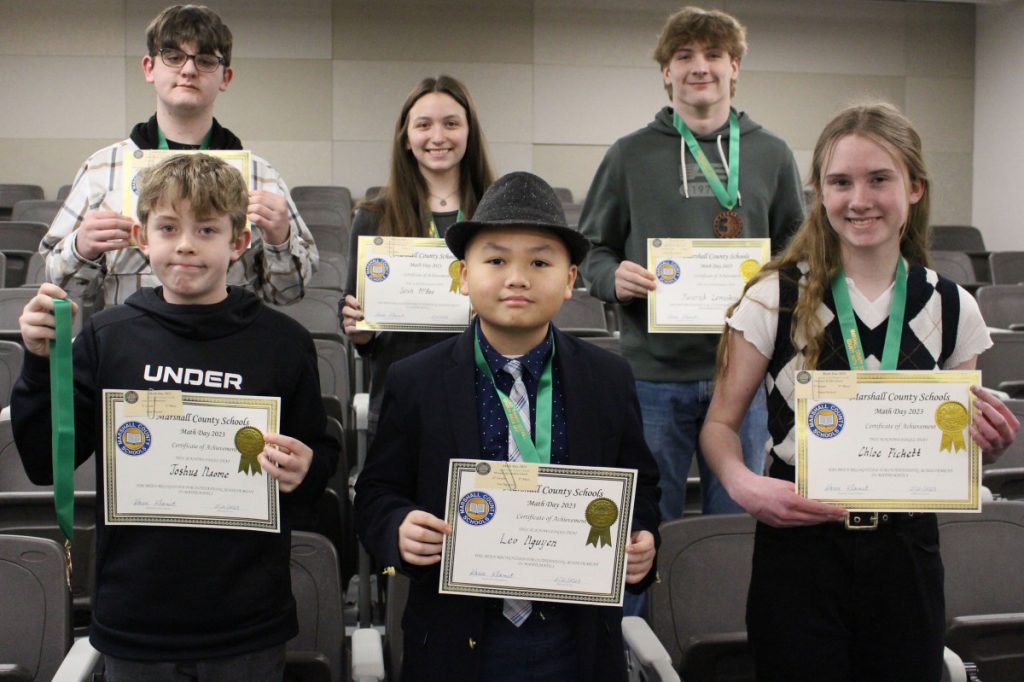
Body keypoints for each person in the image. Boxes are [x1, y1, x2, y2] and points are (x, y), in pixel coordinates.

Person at [700, 102, 1019, 681]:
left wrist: (983, 447)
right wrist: (746, 486)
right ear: (819, 193)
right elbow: (719, 426)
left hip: (907, 554)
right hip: (799, 551)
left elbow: (956, 444)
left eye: (880, 179)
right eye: (840, 182)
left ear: (915, 188)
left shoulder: (953, 307)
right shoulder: (773, 296)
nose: (859, 199)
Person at [13, 154, 337, 680]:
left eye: (206, 229)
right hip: (137, 618)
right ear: (143, 237)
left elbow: (319, 459)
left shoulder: (283, 343)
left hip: (247, 619)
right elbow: (44, 462)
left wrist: (306, 470)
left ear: (238, 242)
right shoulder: (107, 336)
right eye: (168, 227)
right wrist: (38, 363)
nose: (185, 243)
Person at [354, 172, 661, 681]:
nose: (517, 277)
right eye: (495, 260)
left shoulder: (608, 378)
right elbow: (376, 492)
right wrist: (397, 529)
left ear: (569, 280)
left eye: (540, 262)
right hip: (457, 638)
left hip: (576, 637)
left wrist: (644, 540)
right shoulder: (417, 380)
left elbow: (640, 485)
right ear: (462, 277)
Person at [578, 6, 804, 520]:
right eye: (684, 56)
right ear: (666, 72)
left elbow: (798, 253)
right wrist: (611, 277)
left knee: (734, 528)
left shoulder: (772, 153)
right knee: (646, 526)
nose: (699, 66)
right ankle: (642, 608)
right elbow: (589, 250)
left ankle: (724, 608)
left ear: (735, 67)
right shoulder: (629, 155)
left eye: (713, 54)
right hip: (654, 374)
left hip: (743, 374)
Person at [40, 3, 317, 309]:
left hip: (226, 351)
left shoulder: (260, 176)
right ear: (149, 68)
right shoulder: (102, 169)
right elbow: (60, 290)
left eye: (206, 60)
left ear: (225, 77)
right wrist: (82, 249)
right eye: (173, 57)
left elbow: (288, 295)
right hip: (131, 350)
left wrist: (280, 239)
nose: (188, 70)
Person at [341, 75, 495, 438]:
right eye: (423, 125)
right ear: (406, 139)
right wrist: (358, 330)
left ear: (469, 134)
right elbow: (355, 318)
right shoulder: (374, 216)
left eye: (452, 124)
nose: (438, 136)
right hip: (401, 398)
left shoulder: (497, 214)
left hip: (484, 396)